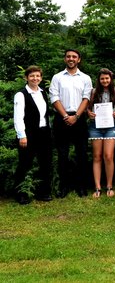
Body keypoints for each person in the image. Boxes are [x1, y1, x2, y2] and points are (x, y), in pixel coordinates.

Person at [50, 49, 93, 198]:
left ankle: (81, 186)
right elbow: (54, 97)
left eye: (74, 57)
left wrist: (76, 116)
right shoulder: (57, 77)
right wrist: (66, 116)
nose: (71, 59)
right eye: (68, 56)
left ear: (79, 60)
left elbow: (86, 98)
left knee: (81, 154)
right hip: (61, 119)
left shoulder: (86, 78)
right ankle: (63, 187)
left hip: (79, 118)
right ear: (65, 59)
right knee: (63, 155)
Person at [13, 66, 53, 204]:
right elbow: (18, 117)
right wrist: (22, 135)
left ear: (41, 78)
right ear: (26, 77)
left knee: (45, 163)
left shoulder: (43, 93)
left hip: (44, 133)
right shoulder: (21, 94)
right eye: (32, 76)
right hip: (29, 134)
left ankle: (43, 192)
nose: (35, 78)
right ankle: (21, 194)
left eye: (37, 76)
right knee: (25, 163)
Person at [87, 68, 115, 198]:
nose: (105, 81)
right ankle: (97, 187)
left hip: (111, 126)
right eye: (102, 78)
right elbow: (87, 108)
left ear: (111, 79)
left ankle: (109, 185)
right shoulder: (93, 92)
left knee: (108, 156)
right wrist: (88, 113)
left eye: (107, 78)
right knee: (97, 156)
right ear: (99, 80)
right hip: (95, 126)